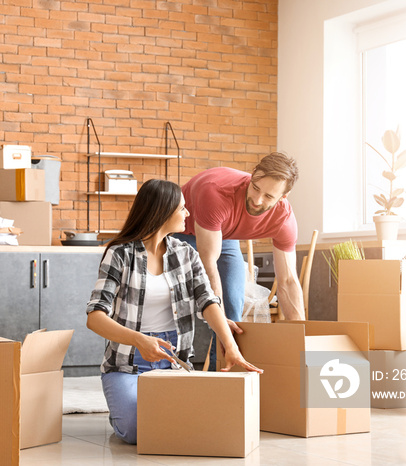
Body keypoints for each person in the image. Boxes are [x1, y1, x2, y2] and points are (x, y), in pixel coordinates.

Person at [86, 179, 261, 445]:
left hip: (173, 364)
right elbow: (95, 316)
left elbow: (208, 300)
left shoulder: (186, 254)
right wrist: (139, 339)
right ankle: (121, 412)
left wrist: (230, 345)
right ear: (162, 211)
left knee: (205, 424)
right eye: (182, 208)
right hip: (127, 365)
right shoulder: (120, 254)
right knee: (136, 430)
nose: (188, 214)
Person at [174, 152, 303, 368]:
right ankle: (168, 372)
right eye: (255, 188)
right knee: (182, 304)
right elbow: (209, 265)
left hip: (223, 235)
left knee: (233, 309)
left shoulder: (284, 220)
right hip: (182, 231)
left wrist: (302, 342)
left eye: (269, 197)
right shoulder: (216, 192)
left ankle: (223, 376)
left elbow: (289, 281)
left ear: (284, 196)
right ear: (253, 175)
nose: (257, 200)